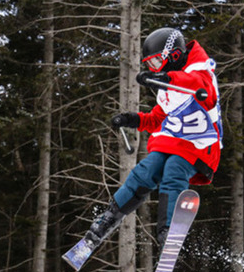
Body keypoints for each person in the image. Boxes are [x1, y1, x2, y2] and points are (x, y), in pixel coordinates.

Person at [84, 27, 222, 249]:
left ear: (174, 55)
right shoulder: (167, 85)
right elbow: (158, 118)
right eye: (149, 65)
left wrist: (165, 76)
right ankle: (108, 219)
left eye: (156, 62)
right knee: (145, 171)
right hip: (173, 141)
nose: (153, 69)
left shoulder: (200, 71)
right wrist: (132, 119)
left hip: (199, 144)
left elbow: (199, 85)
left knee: (174, 170)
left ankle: (168, 230)